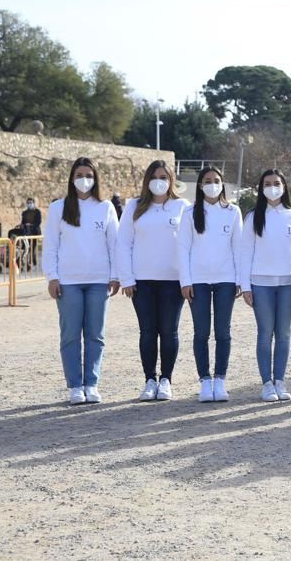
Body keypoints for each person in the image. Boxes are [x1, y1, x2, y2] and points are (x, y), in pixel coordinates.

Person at [42, 157, 120, 405]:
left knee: (96, 335)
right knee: (70, 335)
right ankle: (75, 385)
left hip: (99, 281)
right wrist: (52, 277)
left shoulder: (106, 207)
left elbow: (114, 244)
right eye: (79, 175)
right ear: (71, 178)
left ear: (95, 179)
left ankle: (91, 383)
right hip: (68, 281)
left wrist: (115, 275)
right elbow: (51, 245)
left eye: (88, 175)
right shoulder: (58, 208)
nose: (84, 180)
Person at [117, 160, 189, 402]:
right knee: (148, 331)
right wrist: (126, 278)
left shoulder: (182, 206)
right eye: (155, 177)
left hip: (173, 280)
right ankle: (150, 379)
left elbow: (190, 244)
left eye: (164, 177)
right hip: (142, 282)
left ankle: (166, 379)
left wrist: (187, 279)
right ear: (147, 180)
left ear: (171, 180)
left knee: (169, 331)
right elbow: (123, 243)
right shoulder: (134, 206)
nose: (159, 182)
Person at [177, 166, 242, 403]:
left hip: (226, 280)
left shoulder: (232, 211)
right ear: (200, 185)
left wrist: (239, 280)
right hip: (198, 281)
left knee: (223, 332)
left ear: (222, 184)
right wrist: (185, 281)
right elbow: (182, 248)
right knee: (201, 332)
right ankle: (205, 380)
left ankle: (220, 379)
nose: (212, 185)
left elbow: (238, 248)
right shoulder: (189, 212)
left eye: (216, 180)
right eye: (207, 181)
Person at [240, 169, 291, 403]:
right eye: (267, 183)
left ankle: (280, 380)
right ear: (261, 188)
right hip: (260, 283)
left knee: (283, 333)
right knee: (265, 333)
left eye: (277, 183)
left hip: (289, 283)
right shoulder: (253, 216)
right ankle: (266, 383)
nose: (272, 187)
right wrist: (246, 286)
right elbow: (246, 252)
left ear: (284, 187)